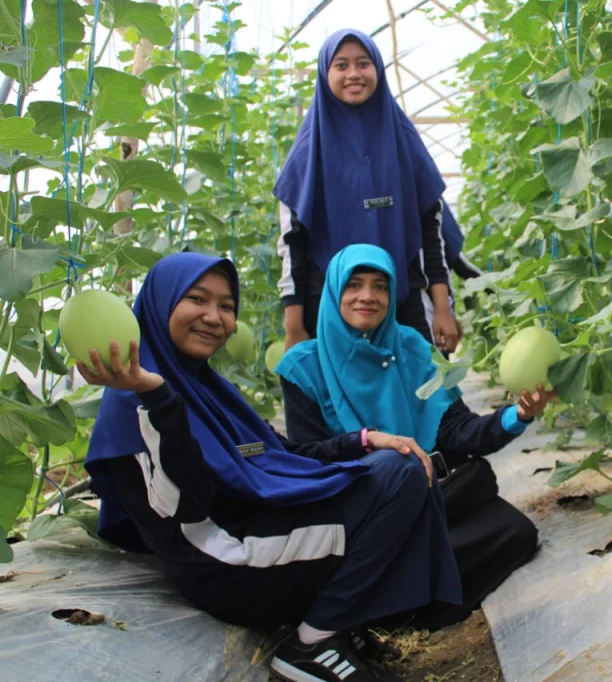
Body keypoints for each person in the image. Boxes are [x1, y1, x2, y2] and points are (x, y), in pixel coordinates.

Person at [81, 253, 462, 682]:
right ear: (158, 304)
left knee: (401, 464)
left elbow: (279, 456)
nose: (214, 317)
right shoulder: (137, 400)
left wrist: (364, 439)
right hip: (227, 563)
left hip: (256, 530)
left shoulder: (206, 387)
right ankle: (313, 644)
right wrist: (158, 400)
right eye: (197, 300)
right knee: (399, 477)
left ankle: (342, 623)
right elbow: (185, 510)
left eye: (226, 306)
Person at [275, 244, 552, 629]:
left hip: (429, 500)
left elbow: (457, 431)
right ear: (334, 291)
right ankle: (399, 596)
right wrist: (371, 444)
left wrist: (518, 415)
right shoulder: (302, 367)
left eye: (380, 286)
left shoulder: (413, 348)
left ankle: (399, 606)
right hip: (364, 513)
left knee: (514, 533)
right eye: (354, 285)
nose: (368, 296)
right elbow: (309, 457)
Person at [274, 28, 464, 355]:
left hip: (406, 299)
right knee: (340, 403)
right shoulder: (309, 152)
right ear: (325, 73)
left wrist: (443, 308)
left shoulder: (403, 140)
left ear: (377, 68)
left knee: (426, 397)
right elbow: (294, 244)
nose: (353, 74)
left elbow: (431, 232)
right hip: (331, 306)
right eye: (341, 65)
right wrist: (294, 326)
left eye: (363, 64)